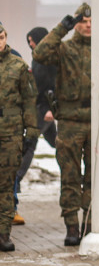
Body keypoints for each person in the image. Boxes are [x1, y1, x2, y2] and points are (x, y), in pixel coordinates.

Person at [33, 3, 99, 246]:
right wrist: (61, 28)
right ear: (76, 23)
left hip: (98, 123)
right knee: (70, 176)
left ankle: (90, 222)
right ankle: (71, 225)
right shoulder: (64, 49)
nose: (87, 25)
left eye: (92, 21)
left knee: (95, 177)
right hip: (71, 122)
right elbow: (40, 54)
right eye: (82, 21)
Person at [14, 26, 58, 226]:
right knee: (55, 141)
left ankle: (17, 178)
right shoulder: (36, 57)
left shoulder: (47, 59)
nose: (30, 43)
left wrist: (51, 108)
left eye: (32, 40)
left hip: (43, 108)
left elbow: (52, 84)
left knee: (29, 144)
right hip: (38, 106)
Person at [0, 22, 38, 251]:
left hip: (10, 132)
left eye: (1, 36)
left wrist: (31, 131)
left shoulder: (18, 66)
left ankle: (4, 233)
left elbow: (29, 101)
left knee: (6, 185)